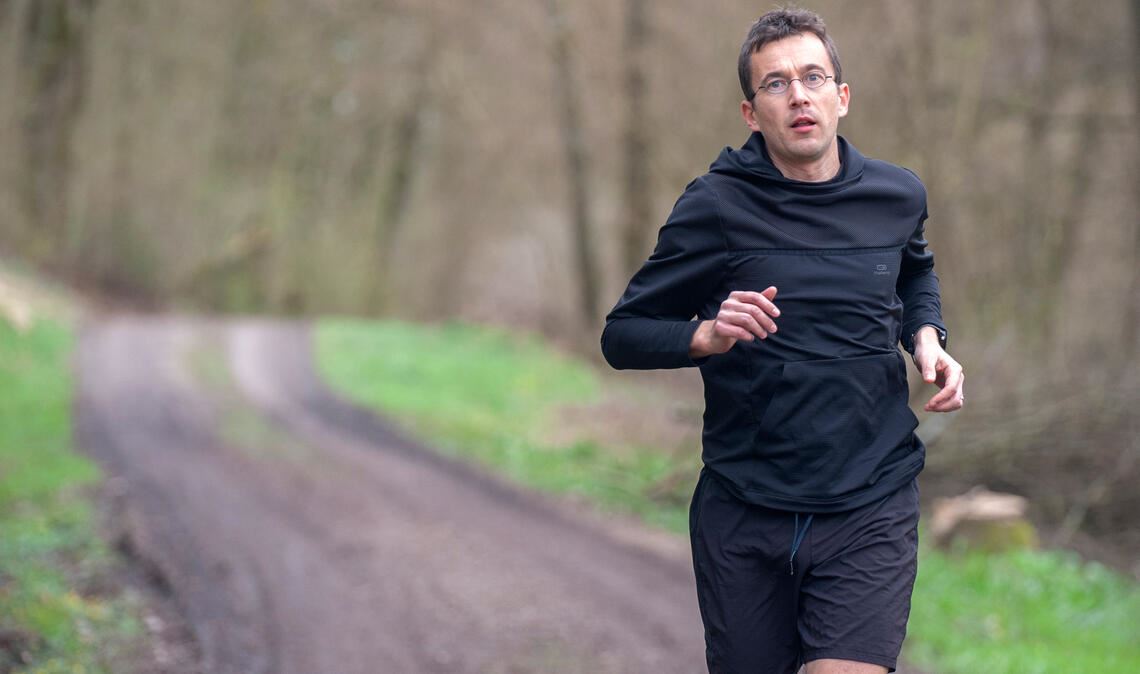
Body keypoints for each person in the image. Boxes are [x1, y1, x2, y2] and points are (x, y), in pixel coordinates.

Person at [600, 8, 965, 674]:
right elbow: (622, 335)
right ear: (750, 112)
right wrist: (705, 335)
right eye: (776, 84)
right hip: (747, 509)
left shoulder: (896, 195)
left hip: (870, 498)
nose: (798, 95)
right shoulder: (715, 206)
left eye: (813, 77)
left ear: (841, 97)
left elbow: (913, 268)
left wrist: (927, 336)